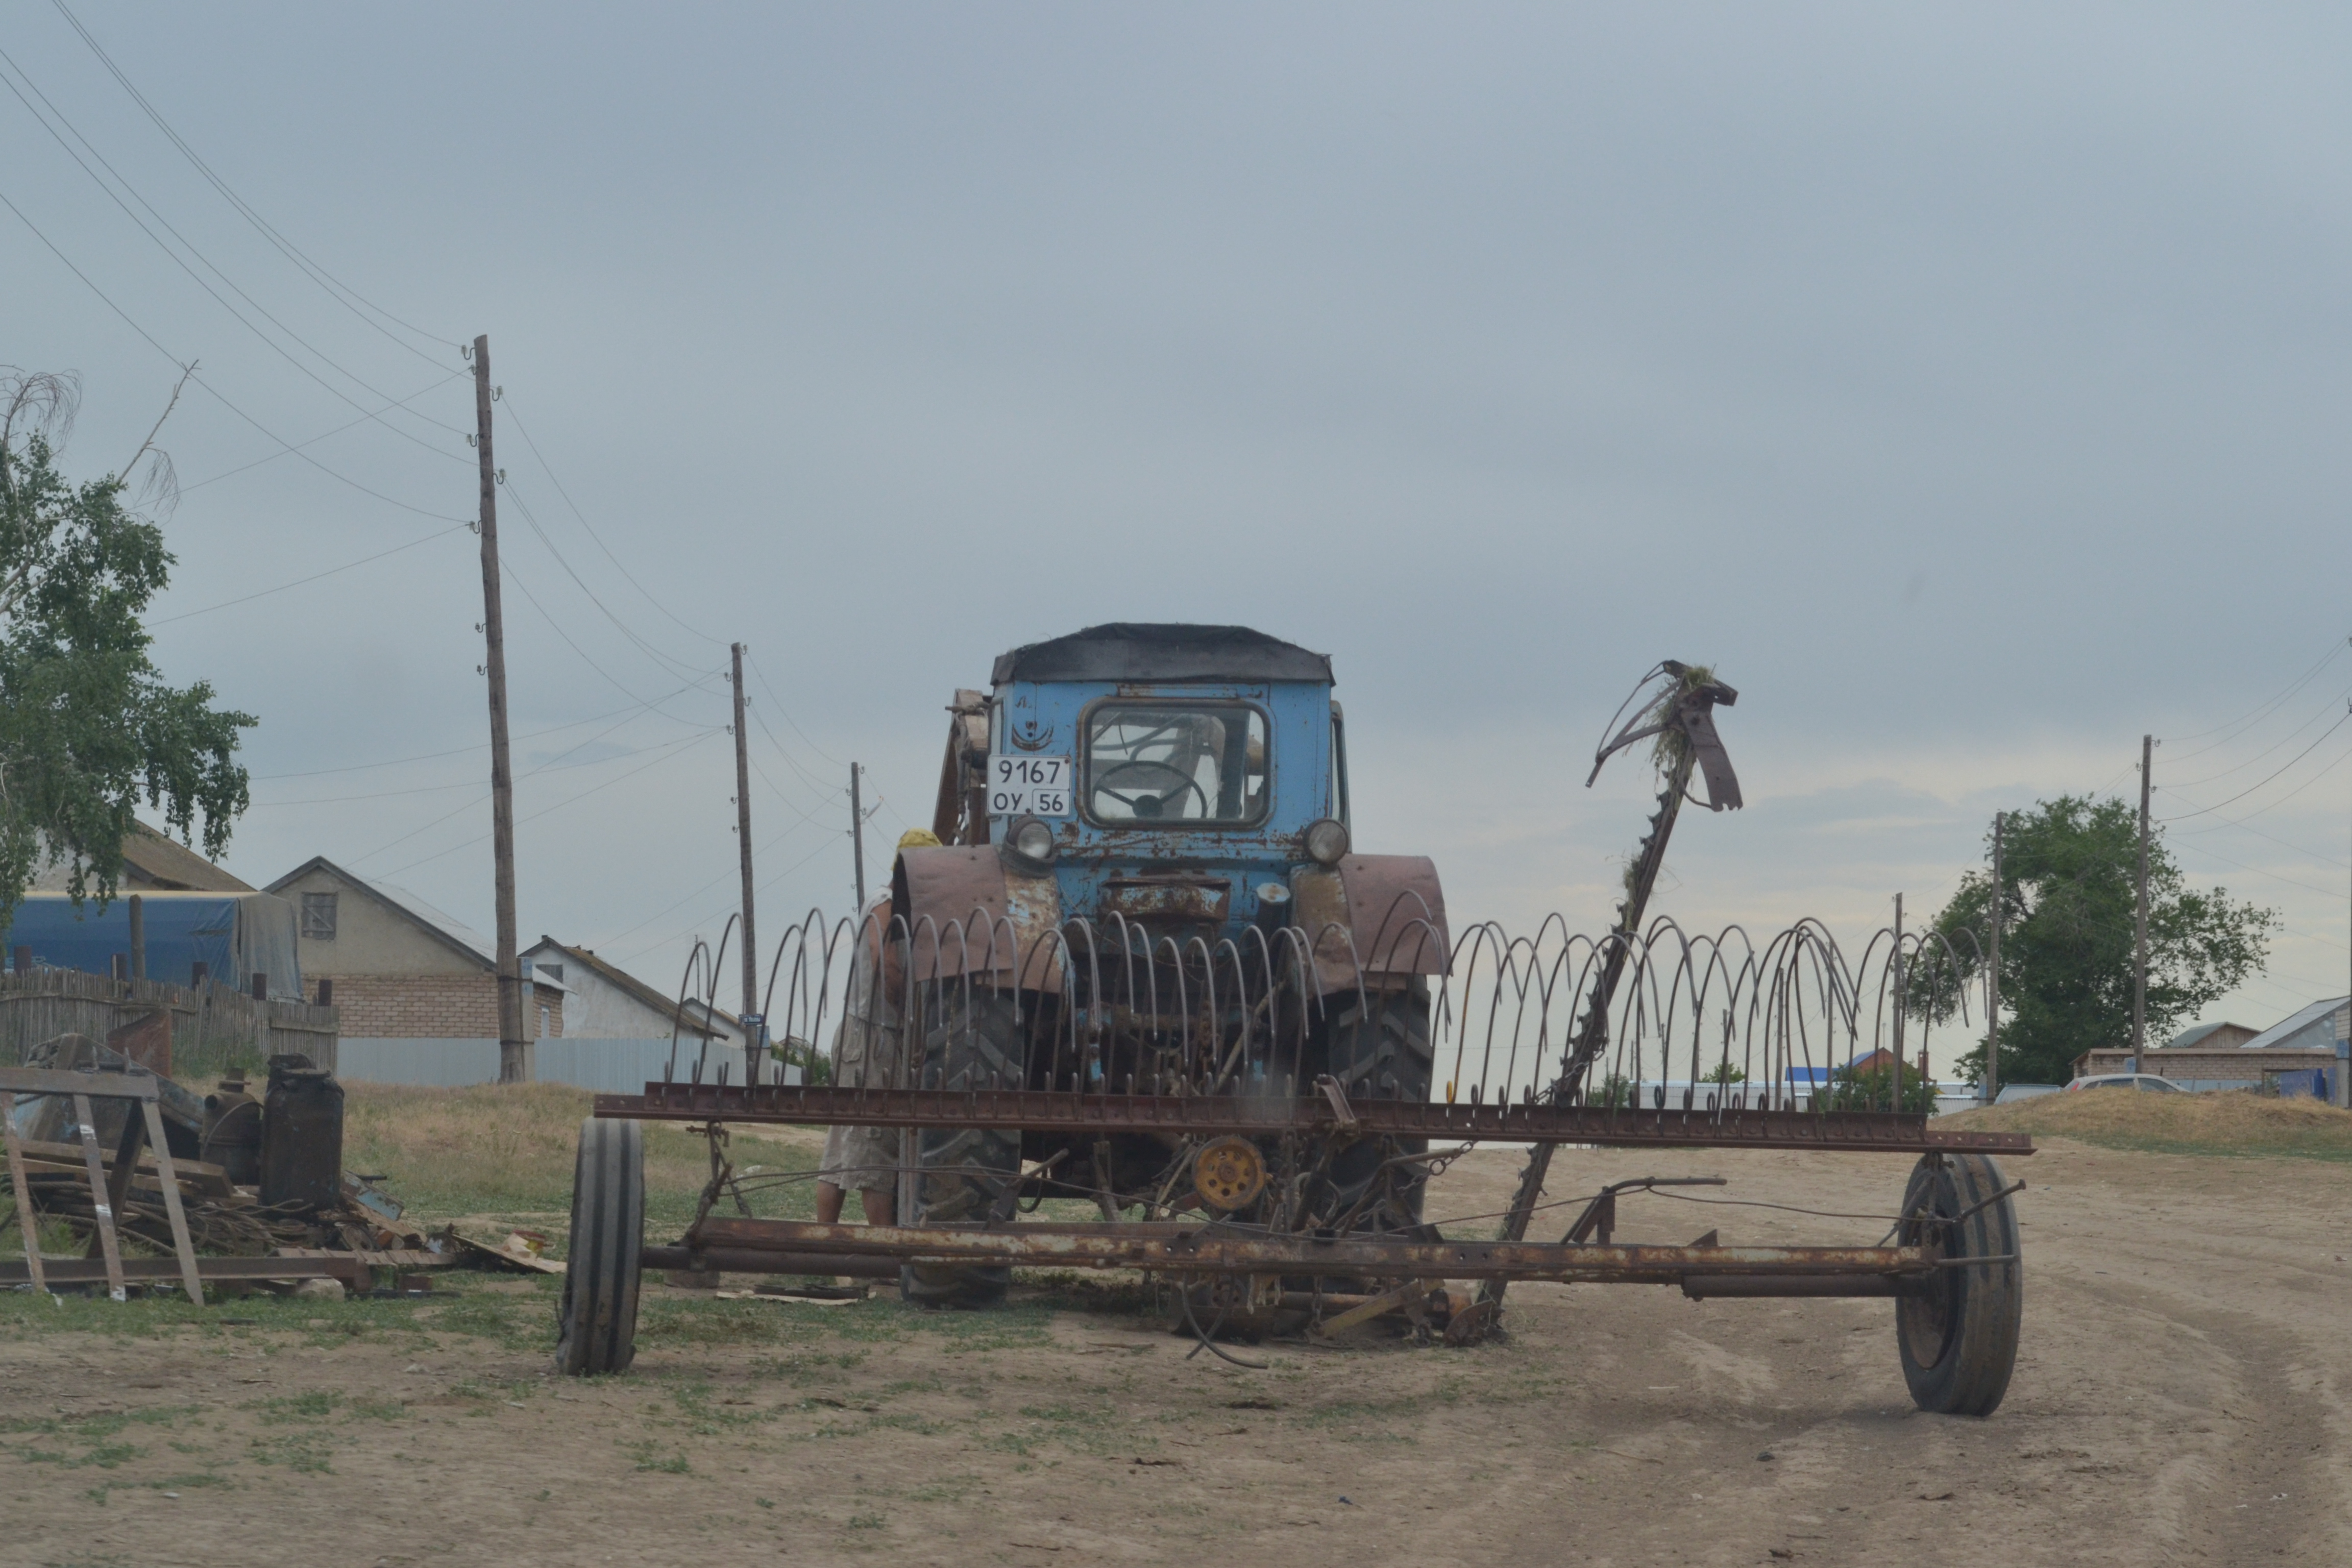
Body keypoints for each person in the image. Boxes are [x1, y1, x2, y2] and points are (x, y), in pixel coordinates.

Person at [814, 829, 937, 1227]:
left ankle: (826, 1244)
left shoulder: (910, 911)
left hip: (879, 1035)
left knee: (846, 1147)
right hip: (871, 1037)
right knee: (873, 1152)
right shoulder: (884, 903)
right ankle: (882, 1254)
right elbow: (884, 961)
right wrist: (908, 1011)